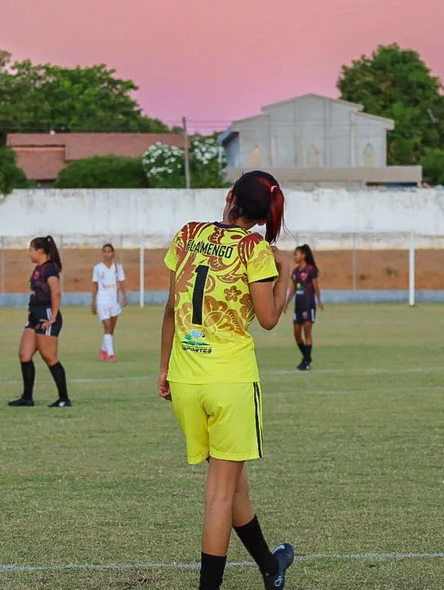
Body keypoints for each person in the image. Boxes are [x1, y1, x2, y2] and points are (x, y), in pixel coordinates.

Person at [158, 171, 295, 589]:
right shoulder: (255, 250)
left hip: (185, 378)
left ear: (231, 196)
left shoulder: (188, 233)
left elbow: (170, 308)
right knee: (220, 496)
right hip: (230, 383)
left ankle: (271, 567)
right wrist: (285, 272)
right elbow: (269, 320)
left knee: (235, 489)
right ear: (261, 215)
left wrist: (163, 368)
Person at [8, 236, 71, 408]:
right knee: (24, 355)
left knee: (50, 358)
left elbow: (56, 292)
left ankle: (64, 398)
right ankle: (27, 398)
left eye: (31, 249)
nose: (29, 253)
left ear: (40, 251)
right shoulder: (39, 268)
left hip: (47, 316)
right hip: (34, 317)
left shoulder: (50, 269)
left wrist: (53, 317)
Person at [285, 245, 323, 371]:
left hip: (308, 305)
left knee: (307, 333)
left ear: (303, 255)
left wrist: (319, 300)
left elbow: (316, 287)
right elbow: (293, 290)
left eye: (296, 254)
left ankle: (306, 362)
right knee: (296, 334)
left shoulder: (311, 270)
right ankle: (307, 358)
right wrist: (286, 303)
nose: (295, 256)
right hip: (299, 307)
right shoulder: (295, 272)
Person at [91, 243, 127, 361]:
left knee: (111, 328)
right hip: (102, 298)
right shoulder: (97, 268)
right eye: (105, 251)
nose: (107, 254)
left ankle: (103, 348)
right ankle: (111, 354)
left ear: (113, 253)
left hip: (113, 299)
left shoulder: (117, 267)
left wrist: (124, 296)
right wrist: (93, 302)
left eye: (109, 251)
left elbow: (121, 282)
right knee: (107, 325)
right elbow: (95, 286)